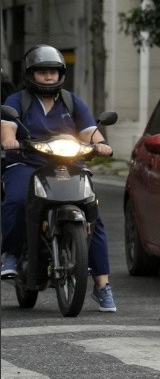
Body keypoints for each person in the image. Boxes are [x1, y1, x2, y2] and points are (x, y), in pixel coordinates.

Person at [0, 44, 117, 312]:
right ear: (31, 74)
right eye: (42, 72)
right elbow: (7, 129)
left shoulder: (72, 101)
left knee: (92, 214)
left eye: (53, 71)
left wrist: (101, 144)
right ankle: (12, 255)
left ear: (61, 73)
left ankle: (102, 285)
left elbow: (89, 132)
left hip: (68, 161)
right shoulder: (17, 101)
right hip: (27, 163)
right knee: (18, 200)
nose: (49, 77)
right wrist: (9, 141)